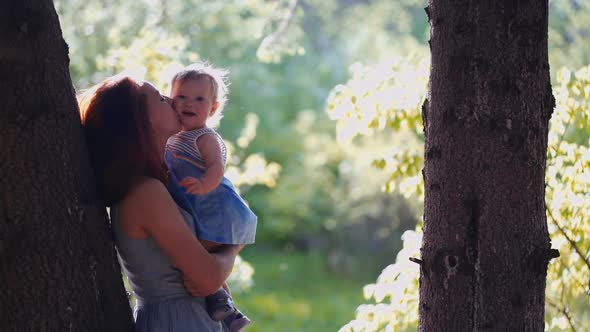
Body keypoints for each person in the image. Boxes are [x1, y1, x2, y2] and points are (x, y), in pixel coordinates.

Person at [79, 74, 241, 331]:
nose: (173, 101)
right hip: (178, 321)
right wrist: (231, 250)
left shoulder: (160, 182)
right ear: (140, 120)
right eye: (161, 98)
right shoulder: (145, 192)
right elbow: (208, 278)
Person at [165, 62, 256, 330]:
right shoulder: (171, 137)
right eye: (181, 96)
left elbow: (217, 167)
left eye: (199, 99)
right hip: (196, 208)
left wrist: (205, 184)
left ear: (213, 108)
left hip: (215, 208)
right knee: (199, 261)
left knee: (196, 259)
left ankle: (221, 301)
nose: (188, 103)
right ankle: (228, 312)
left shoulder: (204, 138)